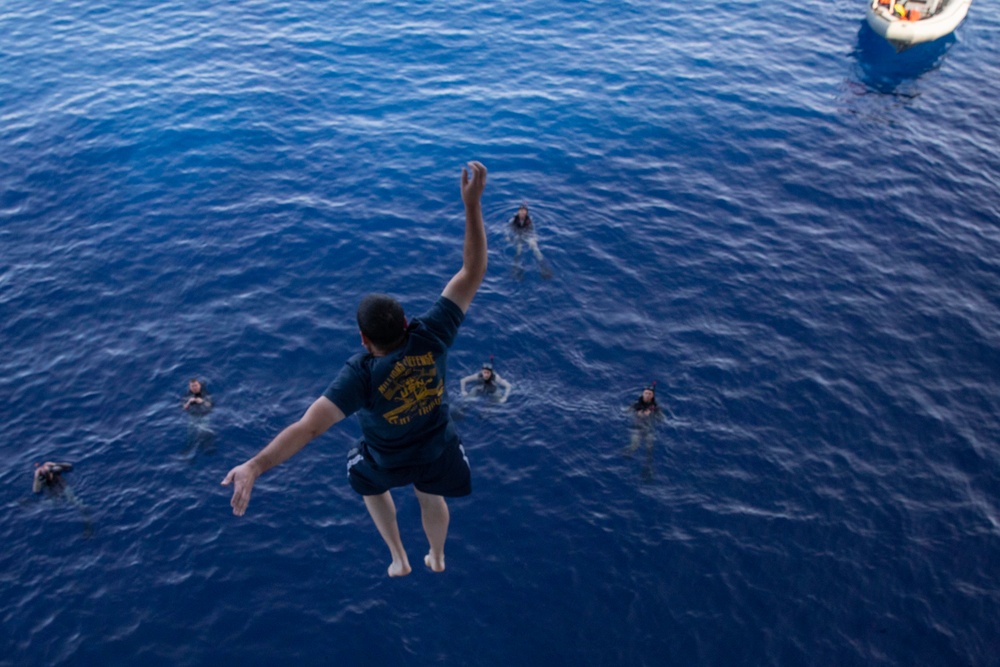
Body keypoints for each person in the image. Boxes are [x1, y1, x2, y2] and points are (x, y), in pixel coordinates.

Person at [223, 161, 489, 578]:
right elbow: (472, 271)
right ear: (405, 324)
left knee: (366, 479)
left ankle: (399, 558)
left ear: (364, 340)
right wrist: (472, 205)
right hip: (438, 448)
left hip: (387, 460)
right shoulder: (432, 333)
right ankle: (436, 556)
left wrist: (255, 466)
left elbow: (307, 429)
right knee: (431, 494)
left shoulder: (359, 376)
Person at [509, 204, 551, 279]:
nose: (522, 213)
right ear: (518, 212)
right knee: (519, 250)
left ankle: (544, 267)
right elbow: (508, 229)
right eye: (520, 211)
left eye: (524, 211)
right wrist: (508, 237)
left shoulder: (529, 221)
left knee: (535, 249)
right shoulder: (512, 220)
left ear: (526, 213)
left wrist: (534, 238)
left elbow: (532, 230)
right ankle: (516, 268)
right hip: (518, 235)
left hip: (527, 235)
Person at [624, 385, 665, 462]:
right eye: (646, 393)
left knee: (649, 447)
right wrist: (638, 414)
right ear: (643, 394)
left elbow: (662, 419)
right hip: (637, 428)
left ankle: (648, 463)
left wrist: (652, 414)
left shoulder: (655, 408)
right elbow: (626, 413)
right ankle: (625, 456)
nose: (647, 395)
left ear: (652, 396)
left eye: (649, 394)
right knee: (634, 446)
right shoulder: (636, 405)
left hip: (649, 429)